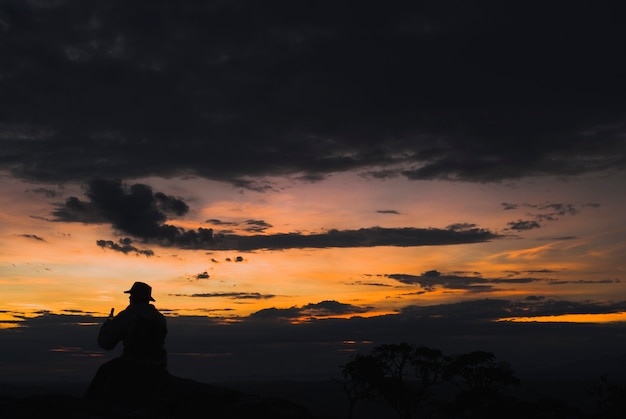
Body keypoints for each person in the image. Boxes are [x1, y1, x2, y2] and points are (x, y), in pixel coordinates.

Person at [85, 281, 169, 401]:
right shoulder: (160, 318)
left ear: (134, 297)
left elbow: (106, 343)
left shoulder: (128, 315)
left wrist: (108, 323)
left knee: (103, 372)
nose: (129, 297)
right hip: (159, 366)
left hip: (133, 364)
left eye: (131, 295)